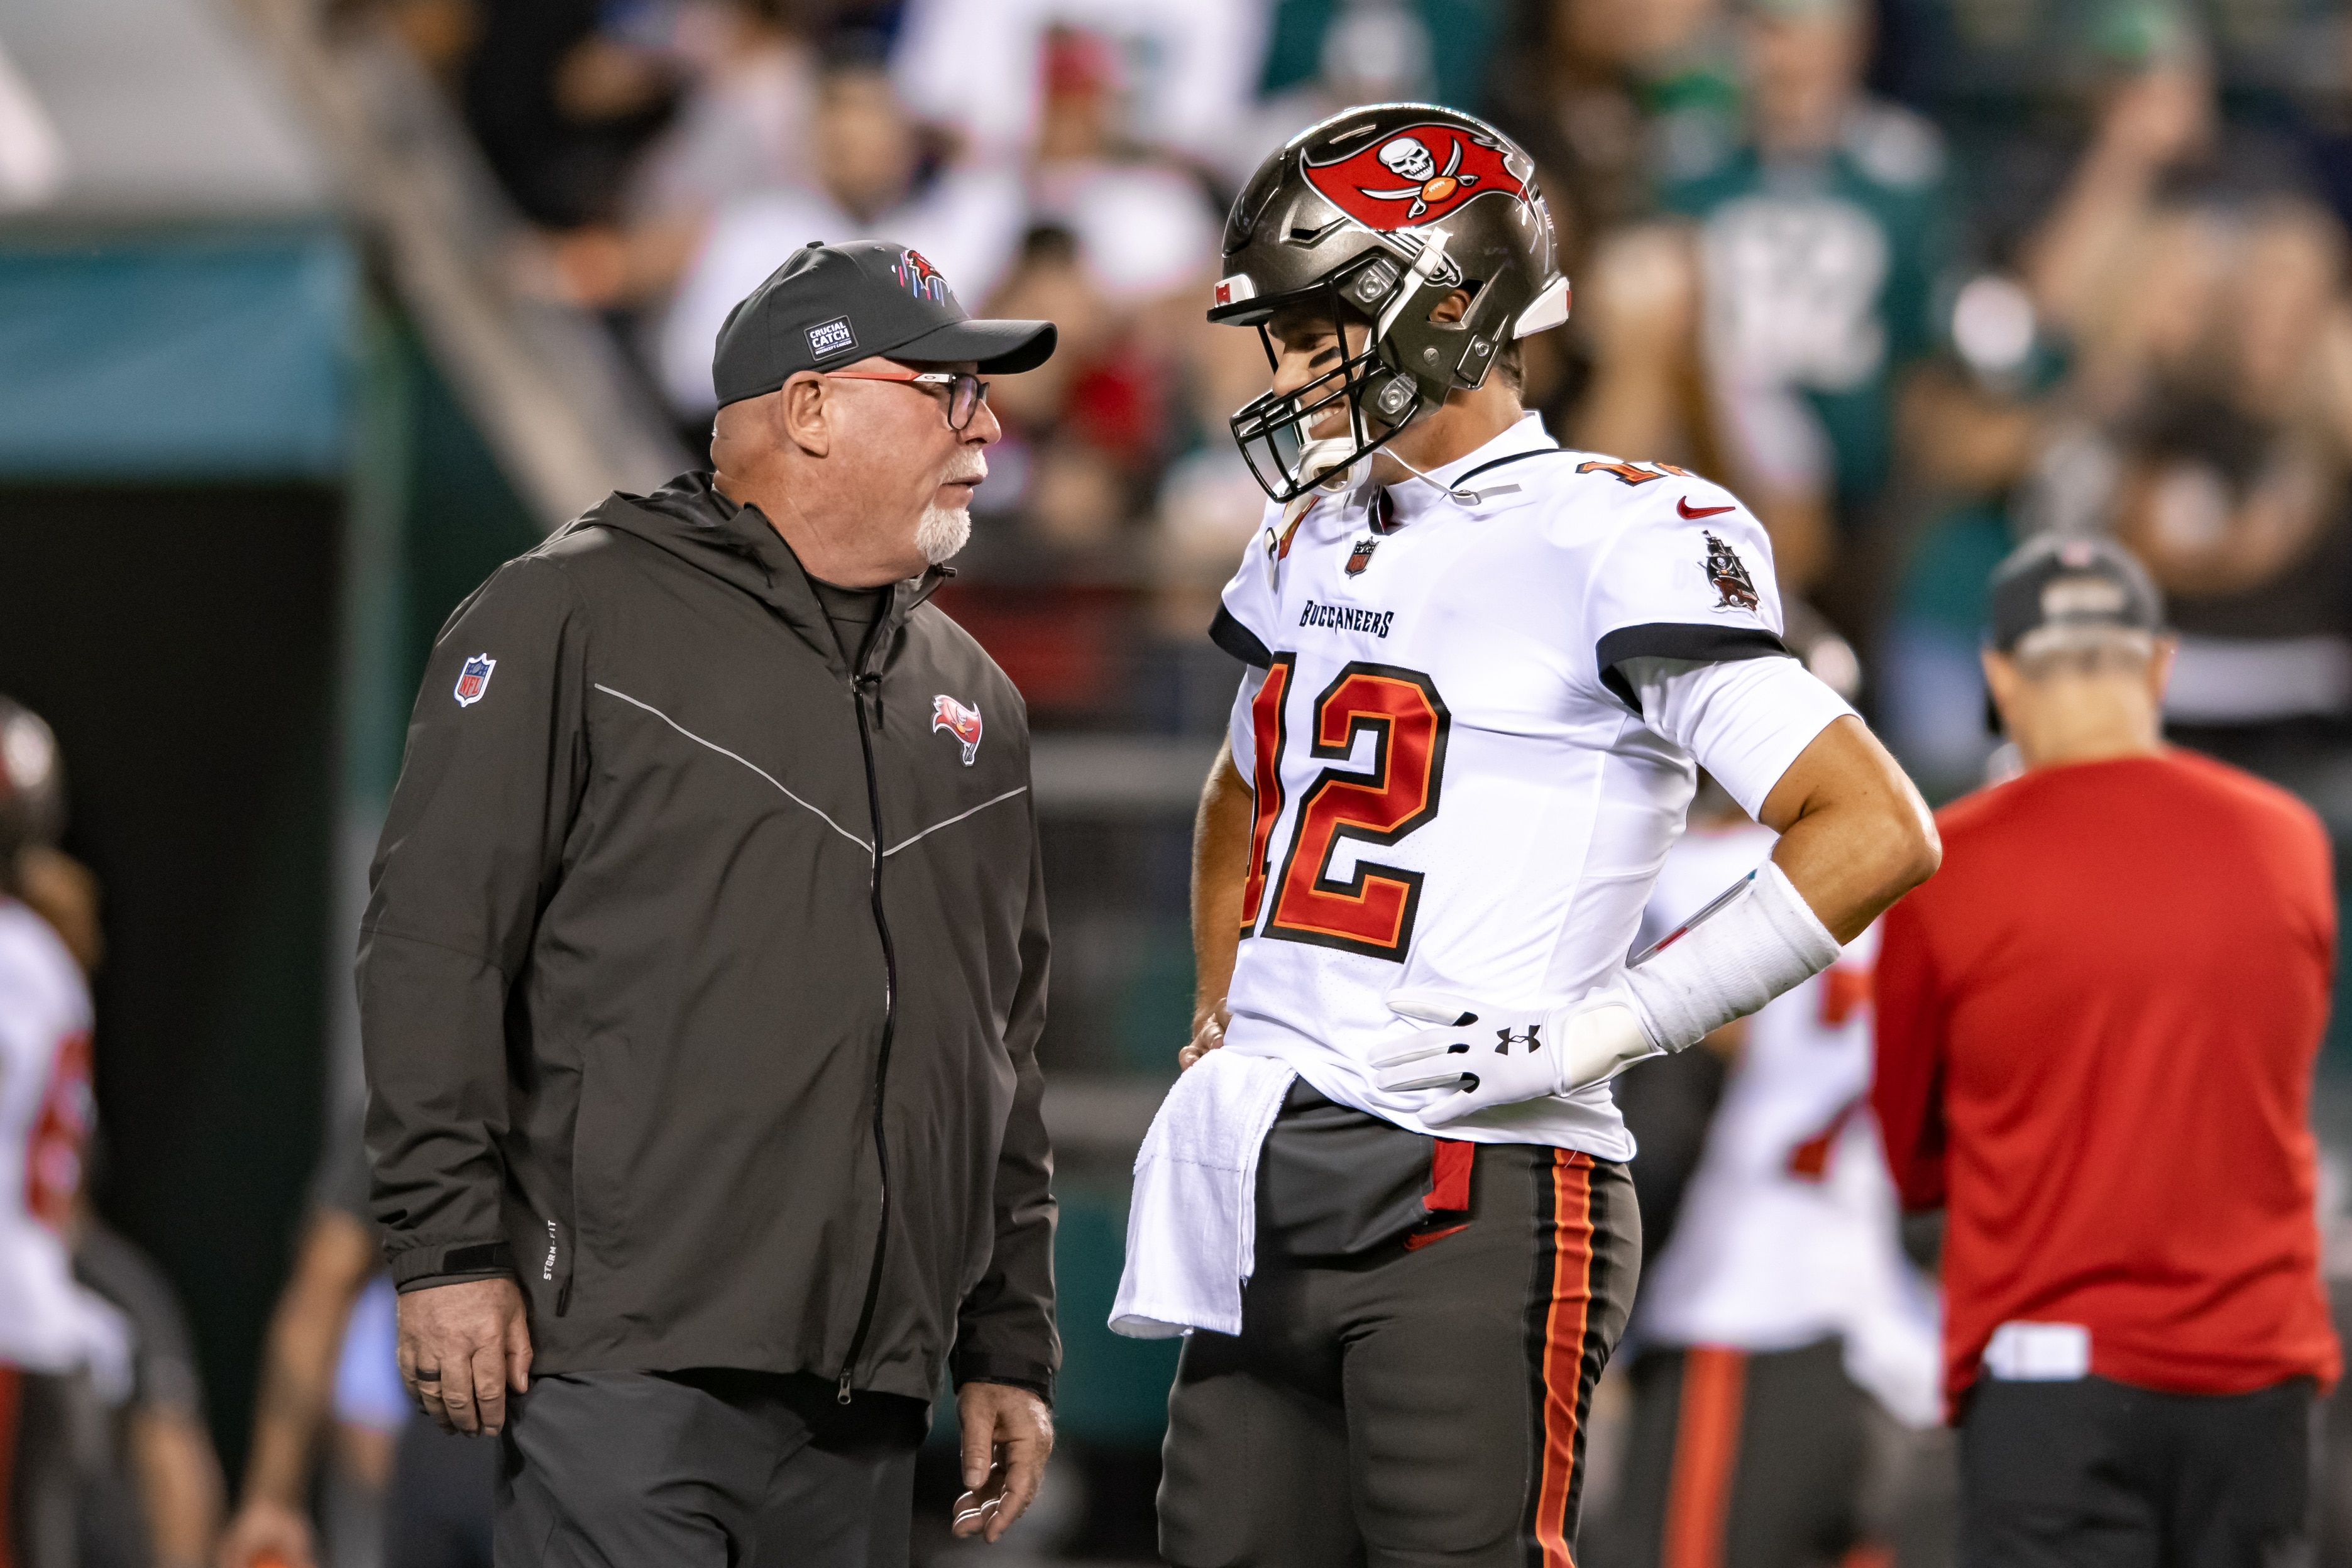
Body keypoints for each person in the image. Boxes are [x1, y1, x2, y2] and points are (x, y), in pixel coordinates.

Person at [1116, 103, 1940, 1565]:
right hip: (1266, 1160)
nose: (1288, 373)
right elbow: (1247, 784)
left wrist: (1602, 1029)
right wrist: (1219, 998)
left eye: (1319, 333)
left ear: (1443, 307)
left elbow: (1869, 827)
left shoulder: (1615, 533)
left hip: (1475, 1178)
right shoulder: (1304, 530)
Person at [359, 239, 1062, 1565]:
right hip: (627, 1366)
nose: (986, 424)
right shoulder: (572, 612)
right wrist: (445, 1249)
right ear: (807, 408)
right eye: (944, 388)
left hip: (866, 1398)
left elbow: (998, 1051)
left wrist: (1006, 1334)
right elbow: (432, 947)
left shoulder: (974, 697)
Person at [1874, 534, 2341, 1565]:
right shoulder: (2289, 841)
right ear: (2159, 663)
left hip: (2054, 1383)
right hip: (2257, 1379)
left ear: (1999, 674)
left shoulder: (1946, 867)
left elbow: (1910, 1159)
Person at [1591, 760, 1940, 1568]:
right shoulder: (1891, 881)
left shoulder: (1685, 883)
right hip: (1875, 1339)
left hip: (1734, 1325)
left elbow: (1664, 1131)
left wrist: (1601, 1318)